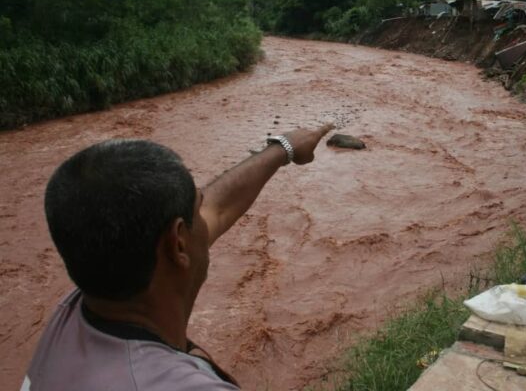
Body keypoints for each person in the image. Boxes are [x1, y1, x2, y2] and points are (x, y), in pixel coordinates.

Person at [21, 124, 334, 390]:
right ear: (179, 244)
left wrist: (283, 149)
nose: (207, 214)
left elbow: (219, 207)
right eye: (197, 209)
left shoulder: (79, 304)